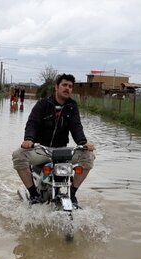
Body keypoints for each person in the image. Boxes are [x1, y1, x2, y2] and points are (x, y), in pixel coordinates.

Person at [11, 73, 95, 207]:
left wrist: (83, 143)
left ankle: (72, 194)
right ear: (57, 87)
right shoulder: (43, 104)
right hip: (42, 149)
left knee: (88, 156)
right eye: (64, 85)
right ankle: (33, 194)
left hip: (61, 151)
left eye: (70, 86)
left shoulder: (72, 106)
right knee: (18, 155)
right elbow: (32, 123)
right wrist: (29, 139)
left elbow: (76, 126)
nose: (67, 88)